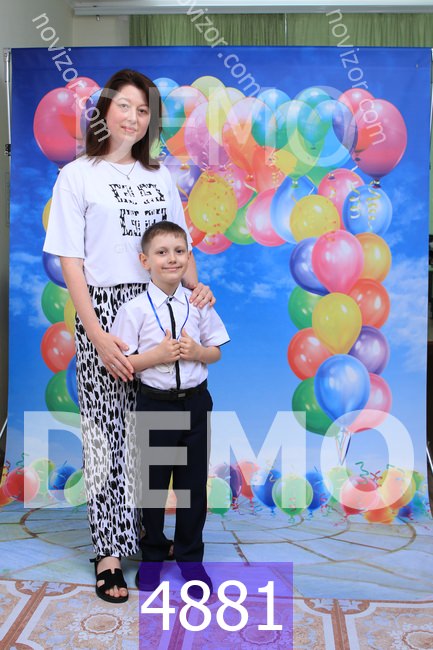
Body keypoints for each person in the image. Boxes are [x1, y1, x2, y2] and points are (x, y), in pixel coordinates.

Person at [43, 69, 214, 604]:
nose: (134, 119)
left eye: (144, 112)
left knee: (153, 436)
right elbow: (71, 259)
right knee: (105, 434)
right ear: (105, 111)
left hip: (156, 308)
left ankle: (152, 542)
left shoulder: (159, 177)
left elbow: (178, 248)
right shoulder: (77, 176)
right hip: (103, 311)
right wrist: (95, 332)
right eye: (125, 107)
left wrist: (198, 289)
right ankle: (109, 553)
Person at [111, 220, 229, 597]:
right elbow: (122, 364)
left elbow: (216, 351)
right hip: (155, 406)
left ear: (188, 257)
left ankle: (191, 559)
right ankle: (152, 556)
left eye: (179, 251)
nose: (172, 258)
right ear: (145, 261)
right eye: (161, 252)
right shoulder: (134, 310)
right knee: (154, 489)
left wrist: (198, 352)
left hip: (195, 404)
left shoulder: (199, 303)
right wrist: (157, 355)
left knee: (193, 488)